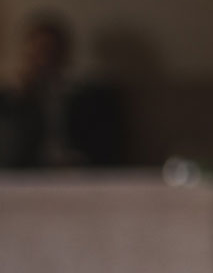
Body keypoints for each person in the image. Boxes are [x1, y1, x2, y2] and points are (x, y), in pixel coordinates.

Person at [0, 12, 126, 169]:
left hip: (81, 174)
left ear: (65, 53)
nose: (43, 59)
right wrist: (22, 97)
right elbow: (10, 151)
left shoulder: (93, 97)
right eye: (37, 52)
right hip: (29, 176)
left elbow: (108, 147)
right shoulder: (11, 100)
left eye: (50, 51)